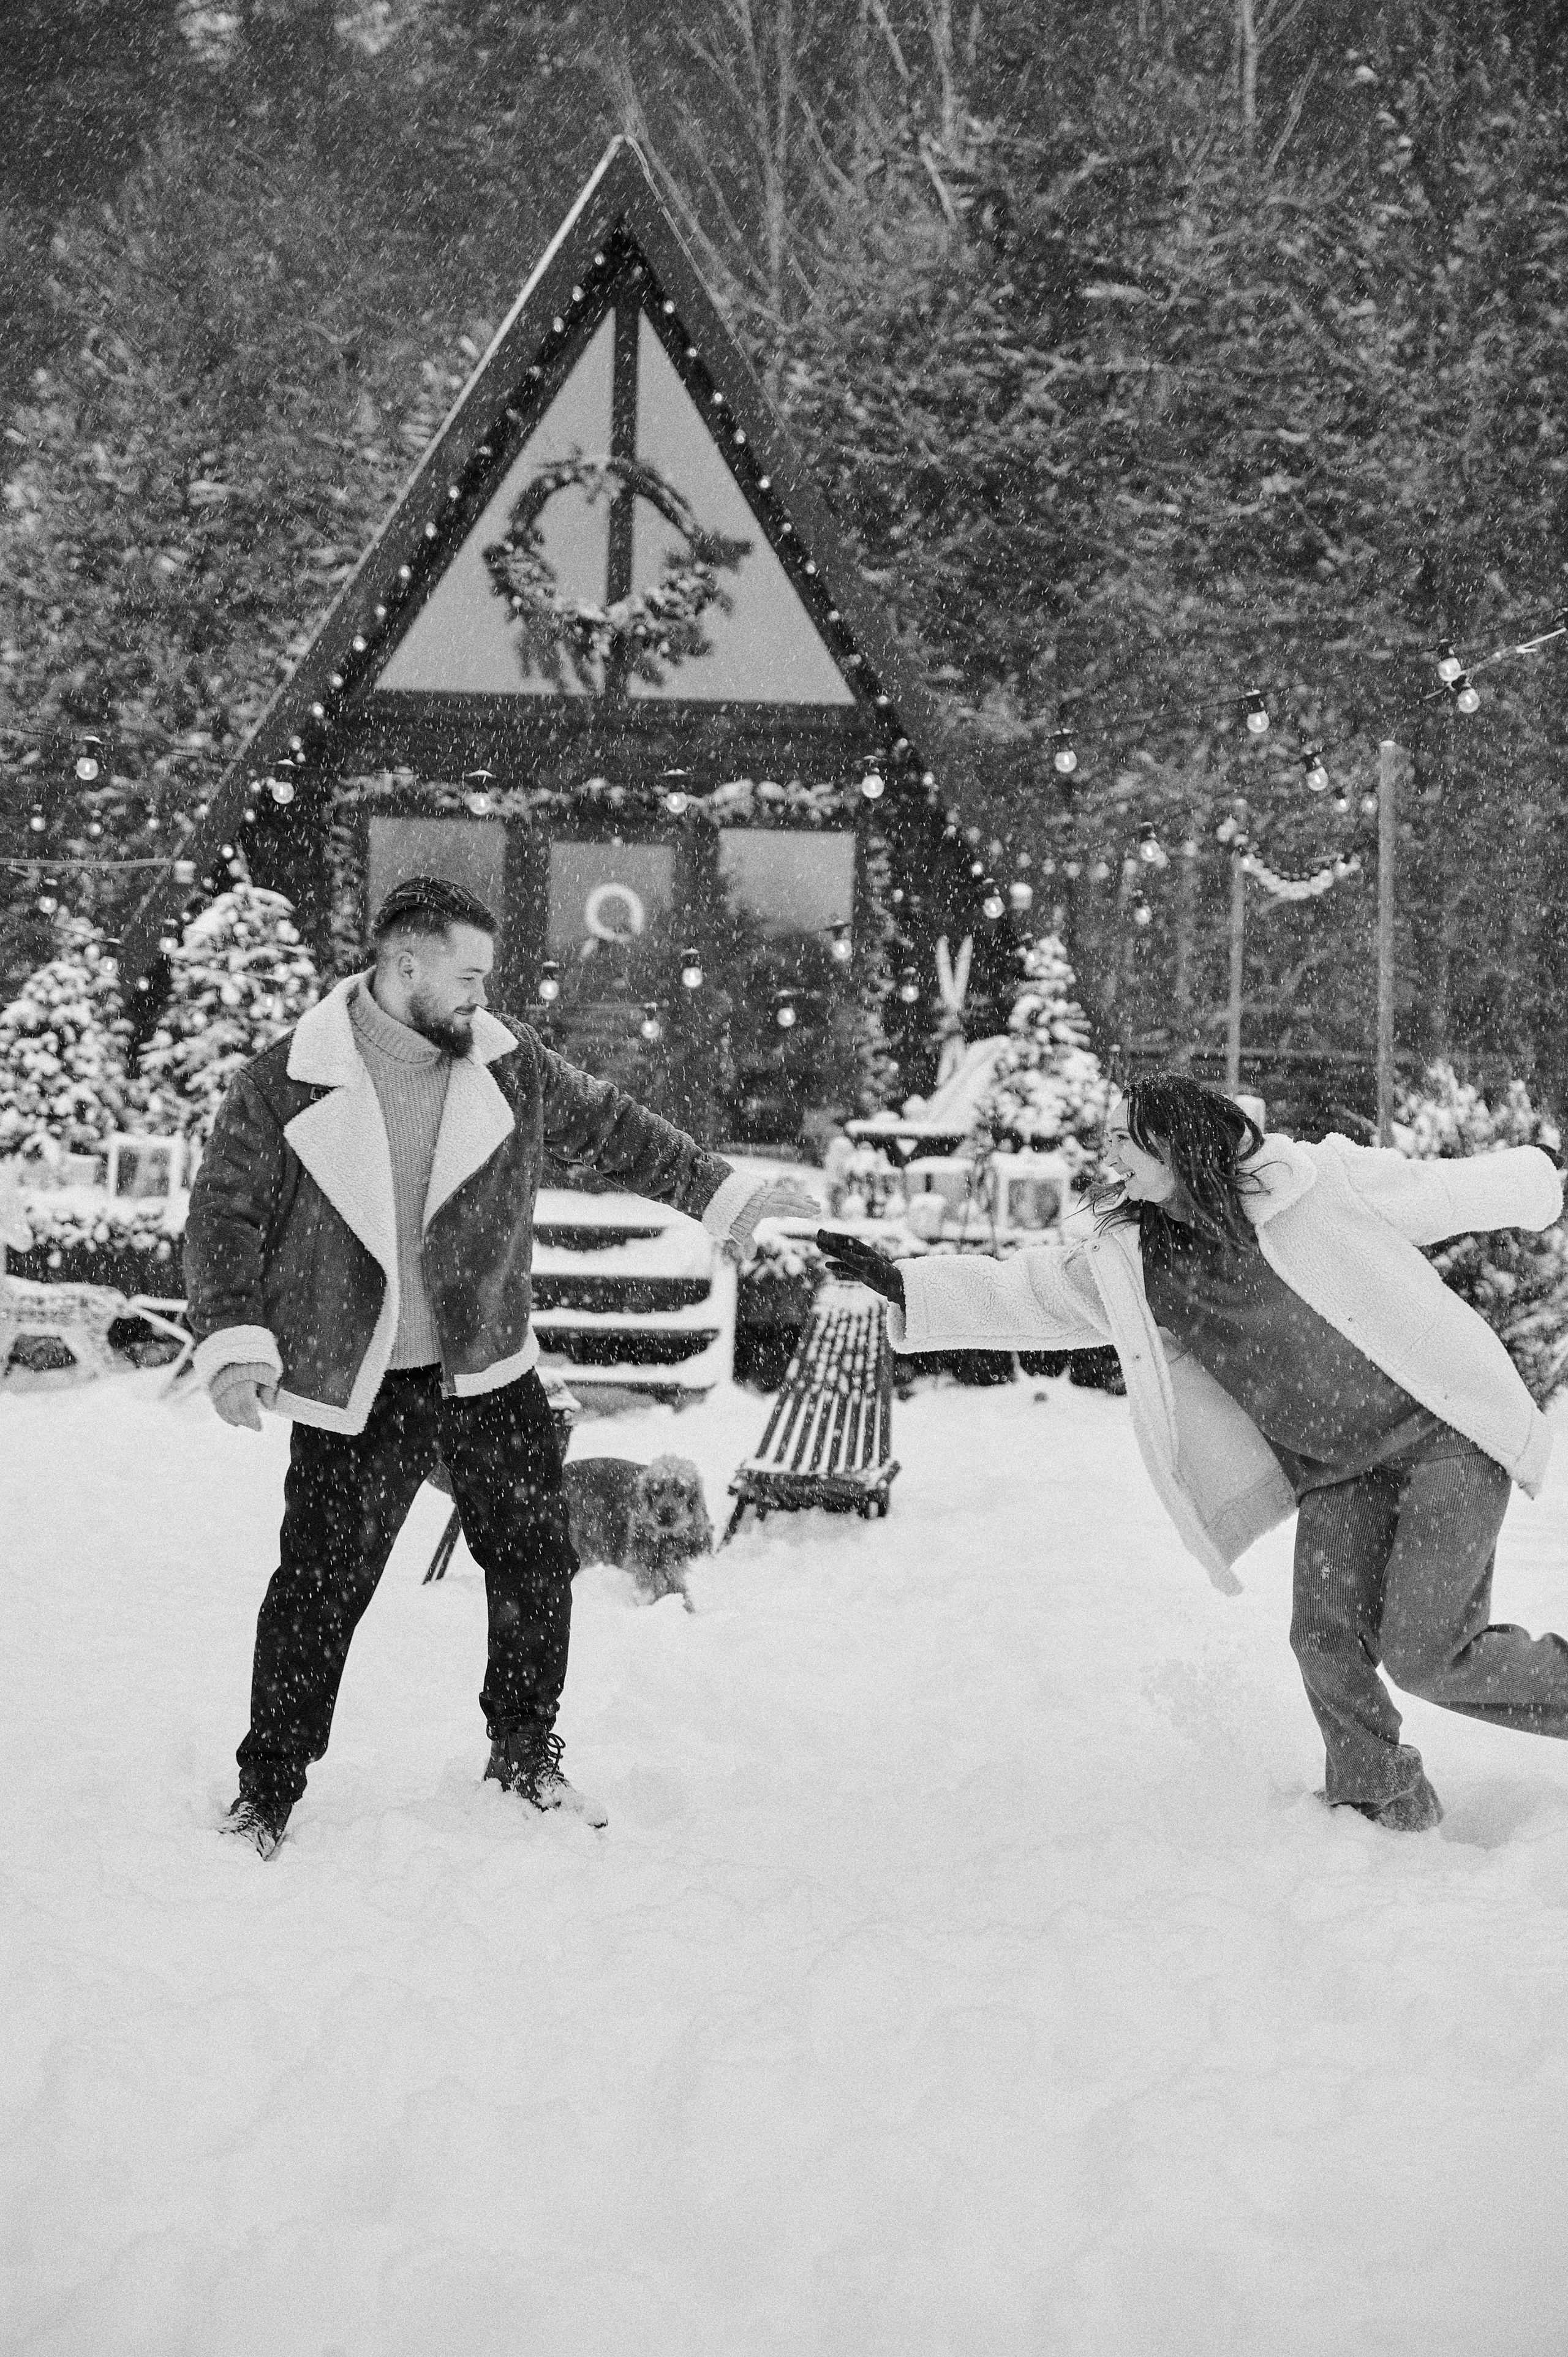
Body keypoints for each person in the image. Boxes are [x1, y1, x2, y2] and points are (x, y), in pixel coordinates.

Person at [186, 874, 815, 1857]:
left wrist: (723, 1197)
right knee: (318, 1587)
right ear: (404, 967)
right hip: (357, 1382)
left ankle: (524, 1752)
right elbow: (224, 1218)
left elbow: (615, 1132)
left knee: (532, 1562)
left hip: (488, 1367)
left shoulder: (505, 1062)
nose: (485, 995)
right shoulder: (281, 1083)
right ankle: (267, 1787)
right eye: (468, 976)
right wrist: (233, 1340)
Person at [820, 1073, 1568, 1831]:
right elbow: (1036, 1293)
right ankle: (1379, 1798)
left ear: (1177, 1140)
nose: (1106, 1150)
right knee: (1324, 1638)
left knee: (1426, 1653)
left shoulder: (1308, 1186)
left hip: (1444, 1432)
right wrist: (907, 1288)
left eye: (1123, 1135)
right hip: (1338, 1471)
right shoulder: (1137, 1261)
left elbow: (1435, 1191)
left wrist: (1536, 1176)